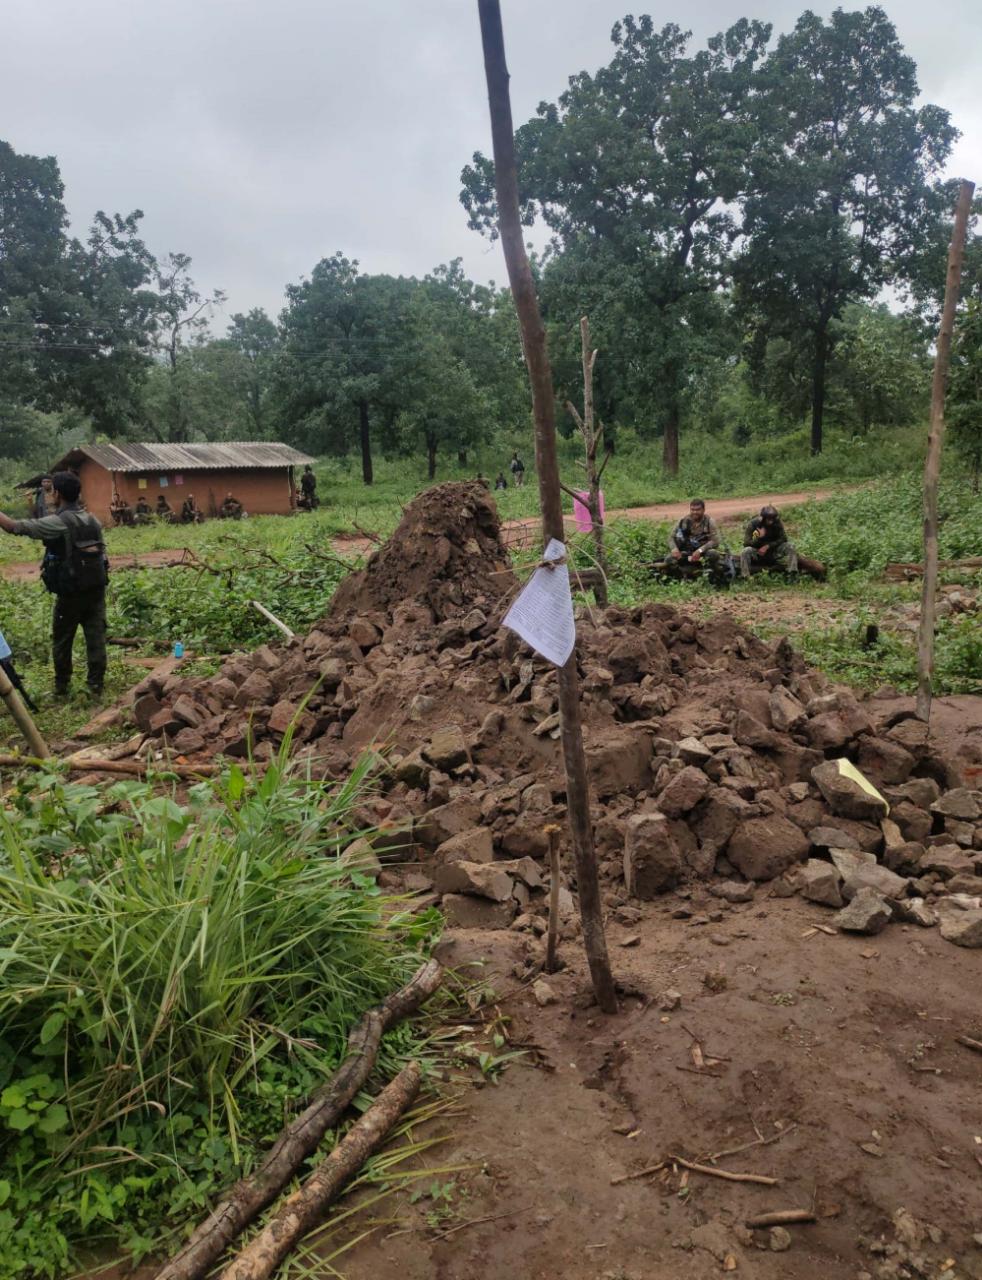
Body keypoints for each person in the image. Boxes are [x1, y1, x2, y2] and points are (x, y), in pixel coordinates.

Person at [0, 471, 108, 697]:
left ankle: (62, 687)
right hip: (96, 588)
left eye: (50, 491)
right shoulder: (93, 520)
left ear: (57, 493)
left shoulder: (59, 523)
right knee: (96, 638)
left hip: (71, 592)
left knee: (62, 639)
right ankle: (96, 686)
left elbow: (14, 527)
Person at [660, 498, 725, 582]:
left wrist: (700, 550)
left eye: (698, 510)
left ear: (703, 510)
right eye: (692, 510)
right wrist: (674, 549)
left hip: (702, 555)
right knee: (669, 559)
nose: (695, 512)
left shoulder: (709, 522)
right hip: (686, 555)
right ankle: (682, 578)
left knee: (713, 554)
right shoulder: (683, 521)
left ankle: (710, 577)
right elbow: (671, 538)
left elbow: (715, 541)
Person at [740, 505, 799, 580]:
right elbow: (746, 543)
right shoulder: (754, 524)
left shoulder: (777, 523)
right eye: (769, 519)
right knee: (745, 551)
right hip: (758, 552)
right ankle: (746, 577)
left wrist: (768, 546)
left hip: (774, 551)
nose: (771, 521)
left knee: (790, 546)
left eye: (772, 519)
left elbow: (783, 538)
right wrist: (759, 539)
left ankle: (792, 573)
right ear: (763, 518)